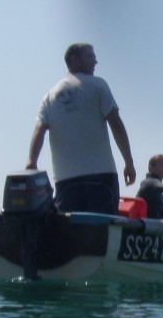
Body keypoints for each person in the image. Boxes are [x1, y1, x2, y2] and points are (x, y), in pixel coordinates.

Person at [26, 43, 136, 214]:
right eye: (90, 56)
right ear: (75, 59)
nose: (96, 61)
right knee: (102, 231)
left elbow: (39, 129)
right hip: (101, 176)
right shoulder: (98, 85)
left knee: (72, 234)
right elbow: (116, 123)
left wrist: (32, 161)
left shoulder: (49, 96)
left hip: (66, 180)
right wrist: (128, 162)